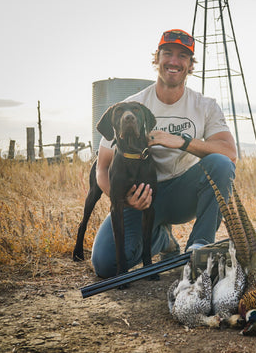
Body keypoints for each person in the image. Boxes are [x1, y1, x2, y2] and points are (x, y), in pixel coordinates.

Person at [91, 29, 237, 278]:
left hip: (184, 193)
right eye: (167, 53)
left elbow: (229, 152)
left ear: (191, 65)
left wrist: (180, 141)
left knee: (221, 164)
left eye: (182, 56)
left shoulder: (205, 106)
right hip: (142, 199)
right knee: (106, 265)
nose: (173, 61)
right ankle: (163, 240)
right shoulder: (131, 106)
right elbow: (101, 167)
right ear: (156, 59)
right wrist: (125, 200)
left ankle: (199, 247)